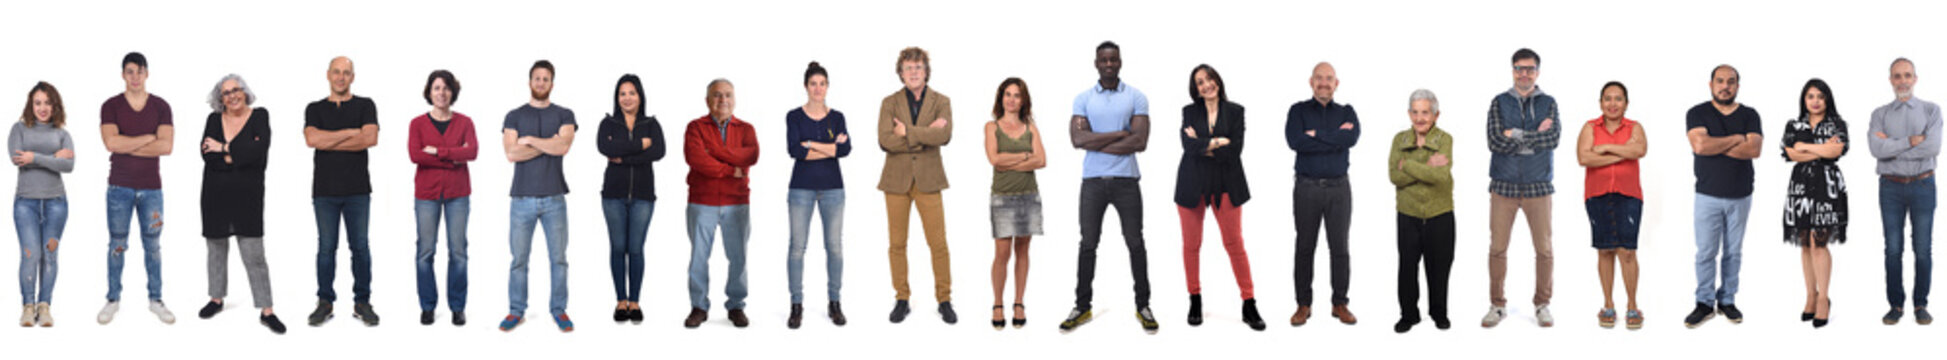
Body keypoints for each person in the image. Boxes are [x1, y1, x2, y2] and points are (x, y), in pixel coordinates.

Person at [1062, 41, 1157, 333]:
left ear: (1120, 62)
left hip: (1127, 182)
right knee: (1088, 244)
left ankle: (1143, 305)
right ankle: (1082, 306)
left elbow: (1139, 142)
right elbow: (1078, 141)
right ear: (1096, 63)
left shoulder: (1136, 97)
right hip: (1092, 183)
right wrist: (1119, 134)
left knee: (1135, 242)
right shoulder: (1083, 98)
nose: (1108, 64)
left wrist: (1097, 138)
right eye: (1103, 59)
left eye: (1113, 59)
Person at [1176, 64, 1263, 330]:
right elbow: (1187, 147)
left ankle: (1249, 304)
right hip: (1192, 183)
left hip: (1227, 183)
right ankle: (1195, 299)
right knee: (1191, 245)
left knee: (1234, 243)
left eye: (1209, 79)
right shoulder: (1189, 112)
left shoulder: (1236, 111)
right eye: (1200, 82)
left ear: (1218, 81)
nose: (1206, 85)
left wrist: (1202, 143)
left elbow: (1235, 150)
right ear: (1196, 89)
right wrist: (1216, 142)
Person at [195, 74, 282, 334]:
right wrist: (236, 154)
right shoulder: (213, 119)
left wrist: (223, 147)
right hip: (214, 195)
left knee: (254, 255)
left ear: (244, 91)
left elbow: (260, 152)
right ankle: (216, 298)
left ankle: (267, 310)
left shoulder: (260, 116)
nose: (232, 95)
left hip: (248, 197)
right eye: (226, 93)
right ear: (220, 98)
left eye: (236, 90)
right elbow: (207, 156)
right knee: (216, 250)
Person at [97, 52, 178, 325]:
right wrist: (147, 137)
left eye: (140, 71)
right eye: (130, 71)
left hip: (152, 188)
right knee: (117, 244)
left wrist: (127, 142)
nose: (135, 76)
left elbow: (166, 147)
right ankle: (113, 299)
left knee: (153, 245)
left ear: (147, 74)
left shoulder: (161, 106)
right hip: (119, 186)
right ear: (123, 74)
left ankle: (156, 299)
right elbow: (111, 144)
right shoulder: (110, 106)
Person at [878, 47, 956, 325]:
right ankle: (901, 298)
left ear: (926, 71)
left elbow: (944, 134)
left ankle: (944, 299)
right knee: (897, 244)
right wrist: (926, 134)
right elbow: (885, 140)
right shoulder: (889, 102)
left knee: (938, 243)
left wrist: (908, 132)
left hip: (929, 178)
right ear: (901, 72)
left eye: (919, 67)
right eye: (909, 67)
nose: (914, 72)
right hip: (896, 181)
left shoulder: (941, 101)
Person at [1482, 48, 1560, 328]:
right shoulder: (1498, 102)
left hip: (1539, 187)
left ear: (1537, 72)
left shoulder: (1549, 103)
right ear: (1512, 70)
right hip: (1503, 186)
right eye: (1519, 68)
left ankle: (1542, 304)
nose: (1524, 73)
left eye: (1529, 68)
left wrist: (1513, 134)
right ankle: (1497, 304)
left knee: (1544, 249)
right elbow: (1494, 141)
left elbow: (1552, 139)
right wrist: (1532, 137)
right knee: (1498, 248)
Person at [499, 60, 577, 332]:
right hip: (521, 199)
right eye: (537, 78)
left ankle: (559, 310)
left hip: (555, 198)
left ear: (552, 84)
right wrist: (549, 144)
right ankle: (516, 311)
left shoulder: (565, 114)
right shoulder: (514, 116)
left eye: (546, 79)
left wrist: (529, 140)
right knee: (519, 259)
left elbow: (564, 146)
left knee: (558, 259)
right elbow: (511, 154)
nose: (541, 83)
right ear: (529, 82)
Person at [303, 56, 382, 327]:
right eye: (336, 72)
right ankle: (325, 302)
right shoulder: (314, 108)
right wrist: (350, 133)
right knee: (326, 248)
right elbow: (312, 139)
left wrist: (330, 139)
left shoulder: (365, 104)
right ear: (328, 75)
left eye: (346, 73)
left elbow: (370, 138)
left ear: (353, 77)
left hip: (357, 190)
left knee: (360, 247)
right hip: (324, 191)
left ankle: (362, 302)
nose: (341, 77)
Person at [1685, 64, 1763, 329]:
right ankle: (1704, 302)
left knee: (1733, 252)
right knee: (1706, 252)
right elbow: (1700, 145)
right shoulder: (1697, 112)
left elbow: (1754, 149)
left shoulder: (1750, 114)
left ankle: (1727, 300)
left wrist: (1716, 144)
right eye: (1720, 81)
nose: (1725, 86)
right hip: (1707, 195)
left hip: (1741, 195)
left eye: (1731, 81)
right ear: (1711, 84)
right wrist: (1736, 139)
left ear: (1737, 86)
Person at [1285, 61, 1361, 326]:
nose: (1324, 83)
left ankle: (1339, 303)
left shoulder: (1347, 112)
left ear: (1336, 83)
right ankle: (1303, 304)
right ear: (1311, 82)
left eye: (1329, 78)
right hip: (1306, 188)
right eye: (1319, 78)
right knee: (1305, 247)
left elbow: (1350, 139)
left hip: (1339, 189)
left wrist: (1315, 135)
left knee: (1340, 248)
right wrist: (1333, 137)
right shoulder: (1298, 111)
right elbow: (1295, 142)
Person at [682, 79, 760, 329]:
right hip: (701, 200)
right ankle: (699, 306)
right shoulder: (695, 127)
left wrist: (713, 150)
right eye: (717, 95)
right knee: (698, 258)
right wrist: (731, 168)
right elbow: (696, 159)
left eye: (727, 95)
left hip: (737, 202)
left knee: (738, 258)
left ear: (734, 100)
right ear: (707, 101)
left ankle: (736, 306)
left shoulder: (746, 129)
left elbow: (752, 155)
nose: (723, 100)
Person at [1871, 57, 1939, 326]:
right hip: (1890, 188)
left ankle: (1920, 304)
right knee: (1893, 249)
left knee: (1923, 249)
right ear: (1890, 80)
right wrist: (1911, 141)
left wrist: (1893, 147)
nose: (1902, 81)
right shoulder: (1880, 114)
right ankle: (1895, 305)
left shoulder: (1932, 111)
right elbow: (1876, 150)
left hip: (1923, 185)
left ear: (1915, 78)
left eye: (1907, 75)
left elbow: (1932, 148)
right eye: (1897, 76)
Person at [1576, 81, 1648, 330]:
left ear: (1626, 103)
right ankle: (1608, 304)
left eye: (1618, 99)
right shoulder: (1589, 127)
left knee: (1627, 251)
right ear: (1600, 103)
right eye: (1608, 98)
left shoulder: (1635, 127)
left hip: (1629, 194)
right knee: (1605, 250)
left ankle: (1632, 305)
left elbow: (1640, 149)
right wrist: (1623, 153)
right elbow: (1584, 157)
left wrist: (1605, 149)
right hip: (1597, 194)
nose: (1613, 103)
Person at [783, 62, 849, 329]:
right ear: (805, 86)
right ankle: (796, 304)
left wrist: (810, 144)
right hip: (801, 188)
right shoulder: (794, 116)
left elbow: (845, 151)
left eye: (822, 83)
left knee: (834, 247)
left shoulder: (838, 117)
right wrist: (830, 147)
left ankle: (835, 302)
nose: (818, 88)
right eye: (813, 83)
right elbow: (794, 151)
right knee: (797, 248)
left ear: (828, 86)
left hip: (833, 188)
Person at [408, 70, 476, 326]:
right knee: (425, 252)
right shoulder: (417, 123)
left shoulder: (465, 122)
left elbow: (473, 152)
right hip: (426, 194)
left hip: (458, 194)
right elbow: (416, 155)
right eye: (436, 88)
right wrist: (453, 158)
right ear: (429, 92)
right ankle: (427, 306)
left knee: (458, 252)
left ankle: (457, 307)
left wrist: (438, 152)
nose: (441, 93)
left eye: (446, 88)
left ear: (452, 92)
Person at [597, 74, 666, 325]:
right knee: (617, 248)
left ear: (640, 96)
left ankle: (635, 301)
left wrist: (624, 157)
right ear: (617, 97)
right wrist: (641, 145)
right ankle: (620, 301)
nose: (627, 98)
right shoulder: (608, 123)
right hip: (613, 196)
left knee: (635, 249)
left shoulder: (651, 123)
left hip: (643, 196)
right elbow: (605, 148)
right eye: (622, 93)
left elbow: (659, 151)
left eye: (632, 93)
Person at [1782, 79, 1850, 328]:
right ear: (1804, 99)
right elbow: (1790, 153)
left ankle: (1824, 298)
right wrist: (1821, 148)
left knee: (1819, 243)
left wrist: (1805, 147)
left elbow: (1836, 152)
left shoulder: (1837, 124)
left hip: (1827, 188)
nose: (1815, 100)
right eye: (1810, 96)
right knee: (1805, 245)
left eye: (1820, 96)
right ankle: (1810, 295)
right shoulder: (1794, 124)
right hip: (1800, 189)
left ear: (1827, 99)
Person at [1391, 89, 1455, 333]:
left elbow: (1439, 177)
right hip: (1408, 215)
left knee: (1439, 267)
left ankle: (1439, 313)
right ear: (1409, 114)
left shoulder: (1445, 139)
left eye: (1425, 113)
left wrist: (1407, 164)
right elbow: (1394, 177)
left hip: (1440, 214)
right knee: (1407, 267)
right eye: (1415, 112)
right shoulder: (1400, 140)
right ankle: (1408, 315)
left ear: (1436, 115)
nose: (1420, 118)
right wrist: (1426, 165)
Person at [984, 77, 1046, 330]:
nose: (1011, 99)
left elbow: (1041, 160)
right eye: (1007, 94)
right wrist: (1024, 155)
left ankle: (1019, 302)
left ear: (1023, 100)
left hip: (1029, 195)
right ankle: (998, 303)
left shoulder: (1031, 126)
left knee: (1023, 250)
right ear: (1001, 99)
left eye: (1016, 95)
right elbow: (994, 159)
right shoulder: (991, 127)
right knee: (1002, 253)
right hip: (1002, 196)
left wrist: (1011, 160)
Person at [13, 82, 74, 327]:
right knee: (30, 255)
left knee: (50, 256)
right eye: (38, 103)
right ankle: (28, 306)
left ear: (54, 105)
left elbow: (69, 166)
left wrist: (34, 157)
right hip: (25, 203)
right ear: (31, 104)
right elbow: (17, 159)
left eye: (48, 103)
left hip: (56, 203)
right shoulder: (19, 129)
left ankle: (44, 305)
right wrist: (53, 157)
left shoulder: (62, 133)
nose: (43, 108)